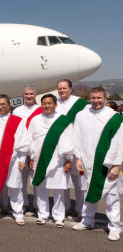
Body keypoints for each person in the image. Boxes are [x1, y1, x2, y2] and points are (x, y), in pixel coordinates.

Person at [72, 87, 122, 241]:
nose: (96, 101)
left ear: (105, 98)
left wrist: (117, 164)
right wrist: (78, 158)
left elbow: (120, 142)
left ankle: (114, 227)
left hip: (107, 164)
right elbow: (77, 137)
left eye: (99, 98)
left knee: (111, 197)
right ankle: (87, 221)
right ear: (89, 98)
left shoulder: (114, 117)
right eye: (93, 98)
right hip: (86, 162)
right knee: (88, 193)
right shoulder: (81, 115)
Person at [0, 94, 30, 225]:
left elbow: (24, 141)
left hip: (13, 160)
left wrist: (22, 159)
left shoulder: (17, 120)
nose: (0, 107)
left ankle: (18, 213)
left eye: (3, 104)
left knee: (15, 187)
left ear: (9, 105)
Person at [29, 94, 73, 227]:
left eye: (49, 103)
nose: (46, 106)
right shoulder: (35, 120)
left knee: (58, 189)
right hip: (39, 158)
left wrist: (68, 159)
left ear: (55, 104)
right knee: (41, 187)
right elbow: (30, 139)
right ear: (41, 105)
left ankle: (59, 216)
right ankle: (43, 214)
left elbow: (68, 140)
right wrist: (30, 157)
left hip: (58, 159)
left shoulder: (63, 120)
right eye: (44, 103)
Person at [56, 79, 89, 220]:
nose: (62, 91)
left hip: (77, 148)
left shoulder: (81, 104)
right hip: (60, 148)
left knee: (79, 182)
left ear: (70, 89)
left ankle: (81, 209)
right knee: (62, 181)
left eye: (64, 88)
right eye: (59, 88)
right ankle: (65, 208)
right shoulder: (54, 103)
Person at [12, 85, 43, 213]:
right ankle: (23, 203)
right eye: (26, 94)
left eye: (31, 94)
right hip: (22, 150)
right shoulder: (17, 111)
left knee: (37, 180)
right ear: (23, 95)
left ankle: (38, 205)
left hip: (37, 149)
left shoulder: (41, 110)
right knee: (21, 180)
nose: (29, 96)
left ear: (35, 95)